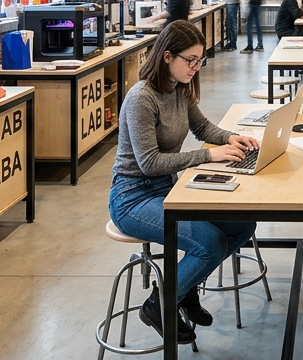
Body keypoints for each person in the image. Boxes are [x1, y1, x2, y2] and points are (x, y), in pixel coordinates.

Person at [108, 21, 260, 344]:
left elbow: (203, 128)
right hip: (132, 198)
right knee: (210, 243)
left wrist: (233, 138)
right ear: (167, 57)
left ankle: (184, 290)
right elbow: (149, 163)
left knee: (242, 225)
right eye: (190, 60)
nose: (196, 67)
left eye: (199, 60)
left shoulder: (180, 89)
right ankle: (160, 302)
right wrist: (208, 157)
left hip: (166, 189)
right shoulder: (141, 99)